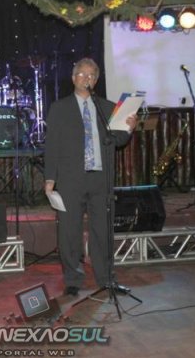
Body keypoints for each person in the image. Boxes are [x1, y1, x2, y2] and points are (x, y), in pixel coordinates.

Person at [44, 57, 137, 296]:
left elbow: (118, 141)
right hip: (70, 179)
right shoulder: (59, 108)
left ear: (96, 81)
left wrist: (129, 127)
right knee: (69, 231)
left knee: (102, 231)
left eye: (91, 76)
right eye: (82, 74)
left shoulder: (108, 108)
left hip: (100, 179)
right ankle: (73, 279)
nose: (86, 79)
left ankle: (106, 278)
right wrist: (50, 179)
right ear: (73, 78)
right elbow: (52, 145)